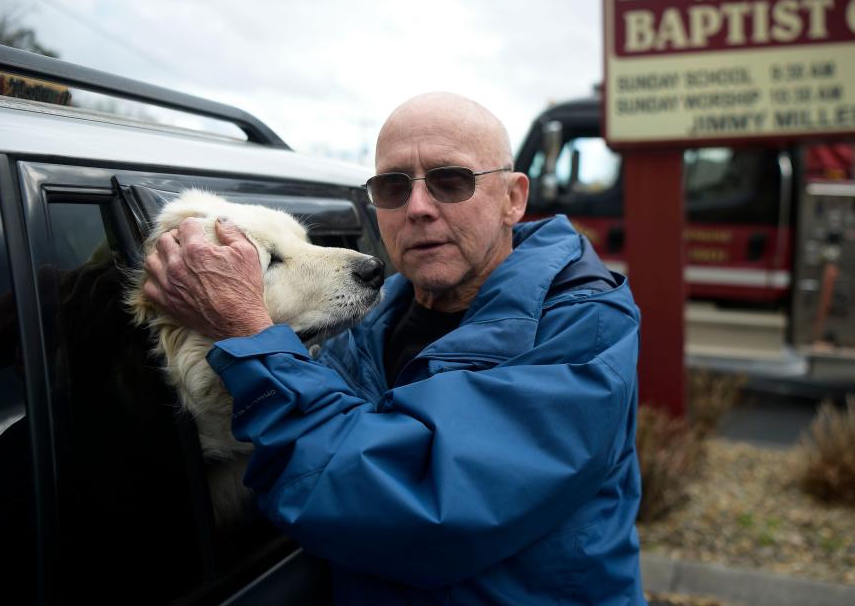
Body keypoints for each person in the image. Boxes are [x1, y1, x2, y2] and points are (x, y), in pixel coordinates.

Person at [144, 92, 645, 605]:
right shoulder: (360, 322)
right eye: (392, 186)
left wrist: (249, 338)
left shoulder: (581, 332)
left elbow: (418, 513)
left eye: (452, 180)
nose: (418, 208)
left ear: (513, 199)